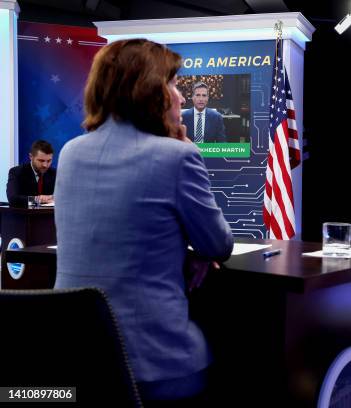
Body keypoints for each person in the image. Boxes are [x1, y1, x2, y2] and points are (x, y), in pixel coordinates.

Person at [53, 39, 234, 402]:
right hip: (153, 365)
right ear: (149, 90)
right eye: (173, 85)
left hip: (74, 360)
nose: (181, 98)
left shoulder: (71, 152)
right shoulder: (178, 156)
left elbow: (121, 231)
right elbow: (219, 245)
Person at [6, 140, 56, 207]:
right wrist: (38, 200)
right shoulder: (17, 172)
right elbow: (13, 199)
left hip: (48, 215)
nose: (45, 165)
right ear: (31, 157)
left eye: (49, 161)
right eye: (41, 161)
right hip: (25, 216)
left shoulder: (54, 173)